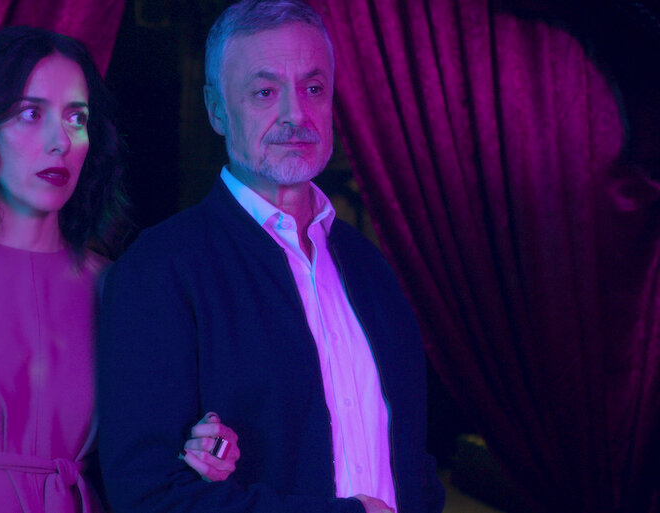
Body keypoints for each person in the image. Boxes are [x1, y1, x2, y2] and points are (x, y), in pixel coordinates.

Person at [0, 26, 238, 513]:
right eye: (31, 113)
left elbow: (141, 462)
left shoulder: (117, 286)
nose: (60, 141)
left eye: (77, 117)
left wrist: (199, 452)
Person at [96, 1, 445, 512]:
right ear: (217, 111)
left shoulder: (370, 267)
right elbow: (147, 494)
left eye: (313, 88)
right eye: (265, 92)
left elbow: (414, 463)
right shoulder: (159, 271)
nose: (296, 115)